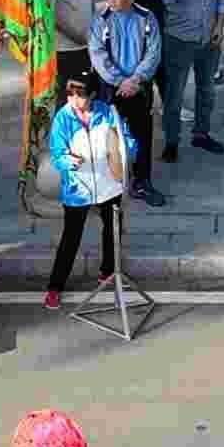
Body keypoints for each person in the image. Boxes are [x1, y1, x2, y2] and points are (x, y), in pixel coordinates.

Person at [39, 69, 139, 315]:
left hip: (109, 185)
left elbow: (127, 142)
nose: (73, 98)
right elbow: (57, 152)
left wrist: (124, 154)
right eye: (70, 93)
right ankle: (55, 286)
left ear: (93, 95)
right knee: (70, 237)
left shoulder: (108, 113)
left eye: (79, 94)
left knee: (113, 230)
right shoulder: (62, 118)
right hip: (78, 189)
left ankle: (108, 271)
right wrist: (67, 162)